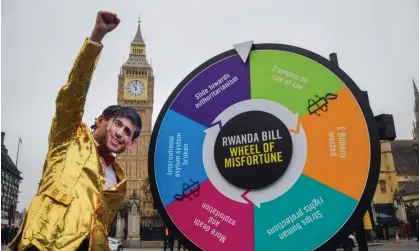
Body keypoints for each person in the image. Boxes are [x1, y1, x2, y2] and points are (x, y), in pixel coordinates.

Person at [9, 11, 142, 251]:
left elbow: (101, 225)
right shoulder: (69, 138)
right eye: (118, 123)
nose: (121, 132)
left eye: (129, 132)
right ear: (101, 121)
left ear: (131, 143)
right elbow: (73, 94)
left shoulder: (120, 180)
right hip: (43, 244)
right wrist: (96, 38)